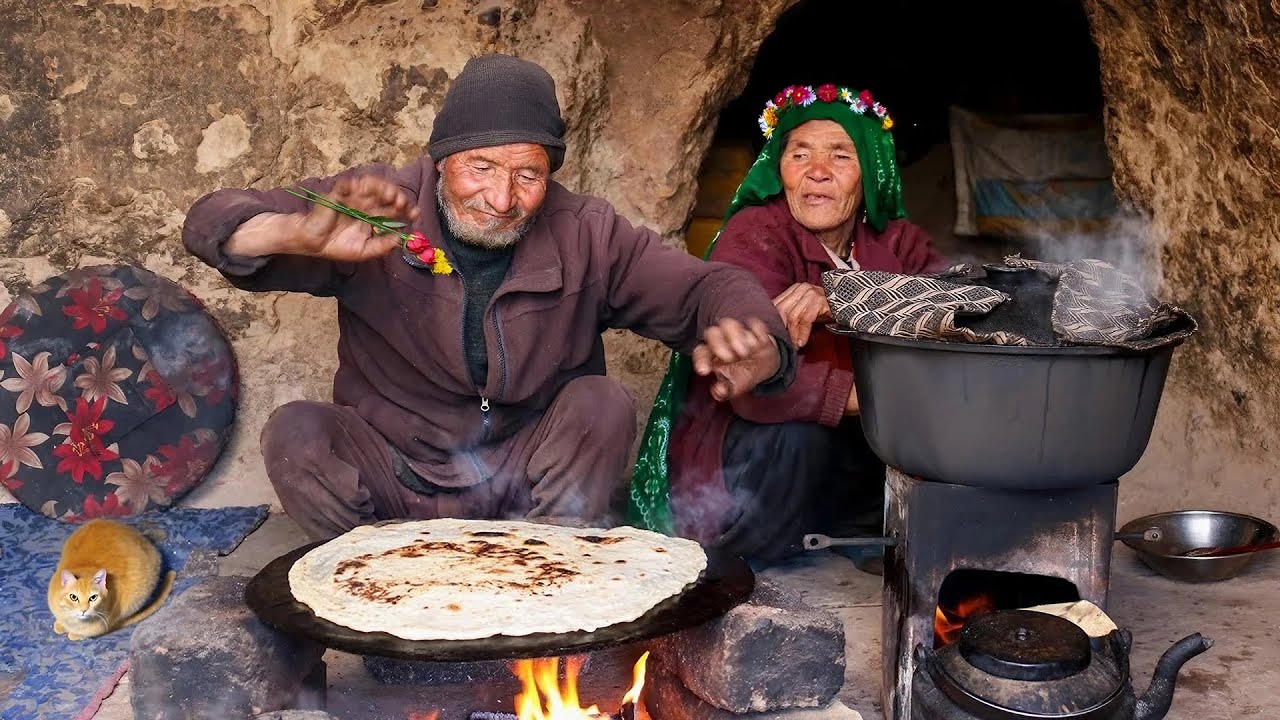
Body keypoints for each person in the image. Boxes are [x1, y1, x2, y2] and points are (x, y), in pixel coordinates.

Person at [182, 54, 795, 541]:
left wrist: (757, 341)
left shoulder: (588, 232)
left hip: (523, 480)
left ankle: (550, 590)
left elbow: (703, 288)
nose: (501, 199)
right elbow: (213, 219)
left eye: (527, 176)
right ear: (442, 157)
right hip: (398, 469)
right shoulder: (378, 209)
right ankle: (376, 595)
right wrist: (296, 232)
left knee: (601, 403)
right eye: (480, 167)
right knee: (296, 433)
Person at [631, 84, 948, 566]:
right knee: (800, 434)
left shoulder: (894, 240)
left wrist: (846, 298)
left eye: (841, 156)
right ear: (780, 168)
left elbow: (962, 303)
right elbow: (756, 384)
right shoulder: (756, 233)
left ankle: (860, 532)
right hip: (746, 451)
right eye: (800, 154)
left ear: (870, 170)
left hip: (850, 445)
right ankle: (741, 561)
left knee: (917, 433)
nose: (817, 172)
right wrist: (885, 399)